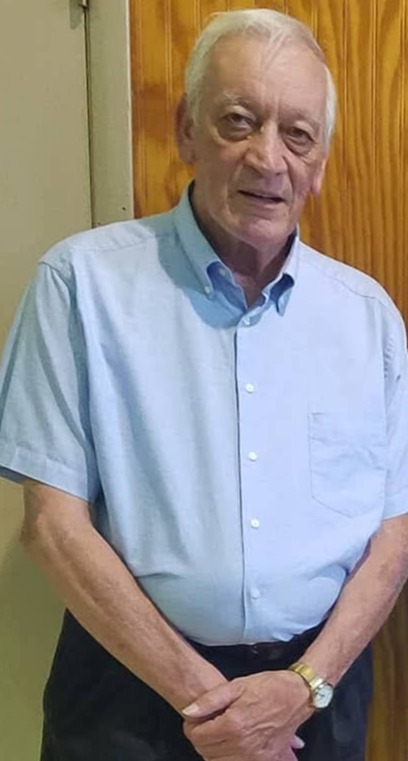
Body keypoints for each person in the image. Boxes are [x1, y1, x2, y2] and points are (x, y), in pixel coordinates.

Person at [0, 7, 407, 761]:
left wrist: (304, 685)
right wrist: (210, 704)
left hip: (315, 698)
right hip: (130, 697)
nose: (268, 158)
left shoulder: (369, 318)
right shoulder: (80, 285)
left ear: (319, 163)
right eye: (238, 121)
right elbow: (52, 527)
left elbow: (393, 535)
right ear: (187, 131)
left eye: (298, 134)